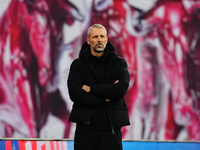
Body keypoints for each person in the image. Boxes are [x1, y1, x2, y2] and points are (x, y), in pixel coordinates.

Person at [67, 24, 130, 150]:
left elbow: (121, 89)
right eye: (95, 37)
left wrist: (91, 89)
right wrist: (105, 98)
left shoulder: (119, 63)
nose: (99, 40)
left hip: (111, 131)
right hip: (85, 131)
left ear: (107, 39)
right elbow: (75, 94)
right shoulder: (77, 65)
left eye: (102, 36)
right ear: (89, 40)